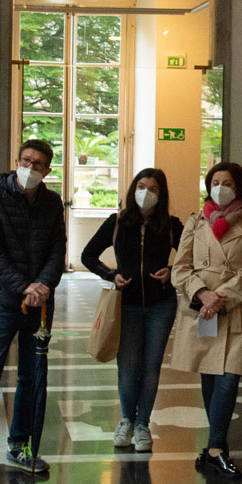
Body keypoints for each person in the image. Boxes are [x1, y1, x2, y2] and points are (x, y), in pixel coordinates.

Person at [0, 139, 66, 484]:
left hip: (40, 304)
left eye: (38, 164)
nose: (30, 168)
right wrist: (24, 287)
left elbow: (57, 249)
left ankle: (19, 446)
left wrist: (44, 285)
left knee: (31, 380)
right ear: (16, 161)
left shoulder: (51, 203)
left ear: (47, 170)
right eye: (25, 161)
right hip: (3, 302)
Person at [173, 162, 242, 480]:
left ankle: (216, 448)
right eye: (215, 181)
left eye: (227, 182)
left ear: (238, 187)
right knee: (210, 376)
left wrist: (221, 296)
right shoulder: (195, 222)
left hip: (234, 307)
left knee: (229, 377)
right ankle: (214, 450)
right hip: (201, 307)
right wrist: (202, 294)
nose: (220, 186)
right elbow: (180, 267)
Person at [82, 168, 185, 452]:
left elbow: (194, 259)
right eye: (141, 186)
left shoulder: (172, 225)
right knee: (127, 367)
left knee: (151, 367)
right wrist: (109, 273)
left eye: (153, 188)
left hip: (161, 305)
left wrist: (173, 272)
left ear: (161, 194)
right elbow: (87, 255)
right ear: (132, 189)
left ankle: (143, 425)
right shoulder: (117, 223)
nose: (146, 192)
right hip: (125, 305)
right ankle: (126, 420)